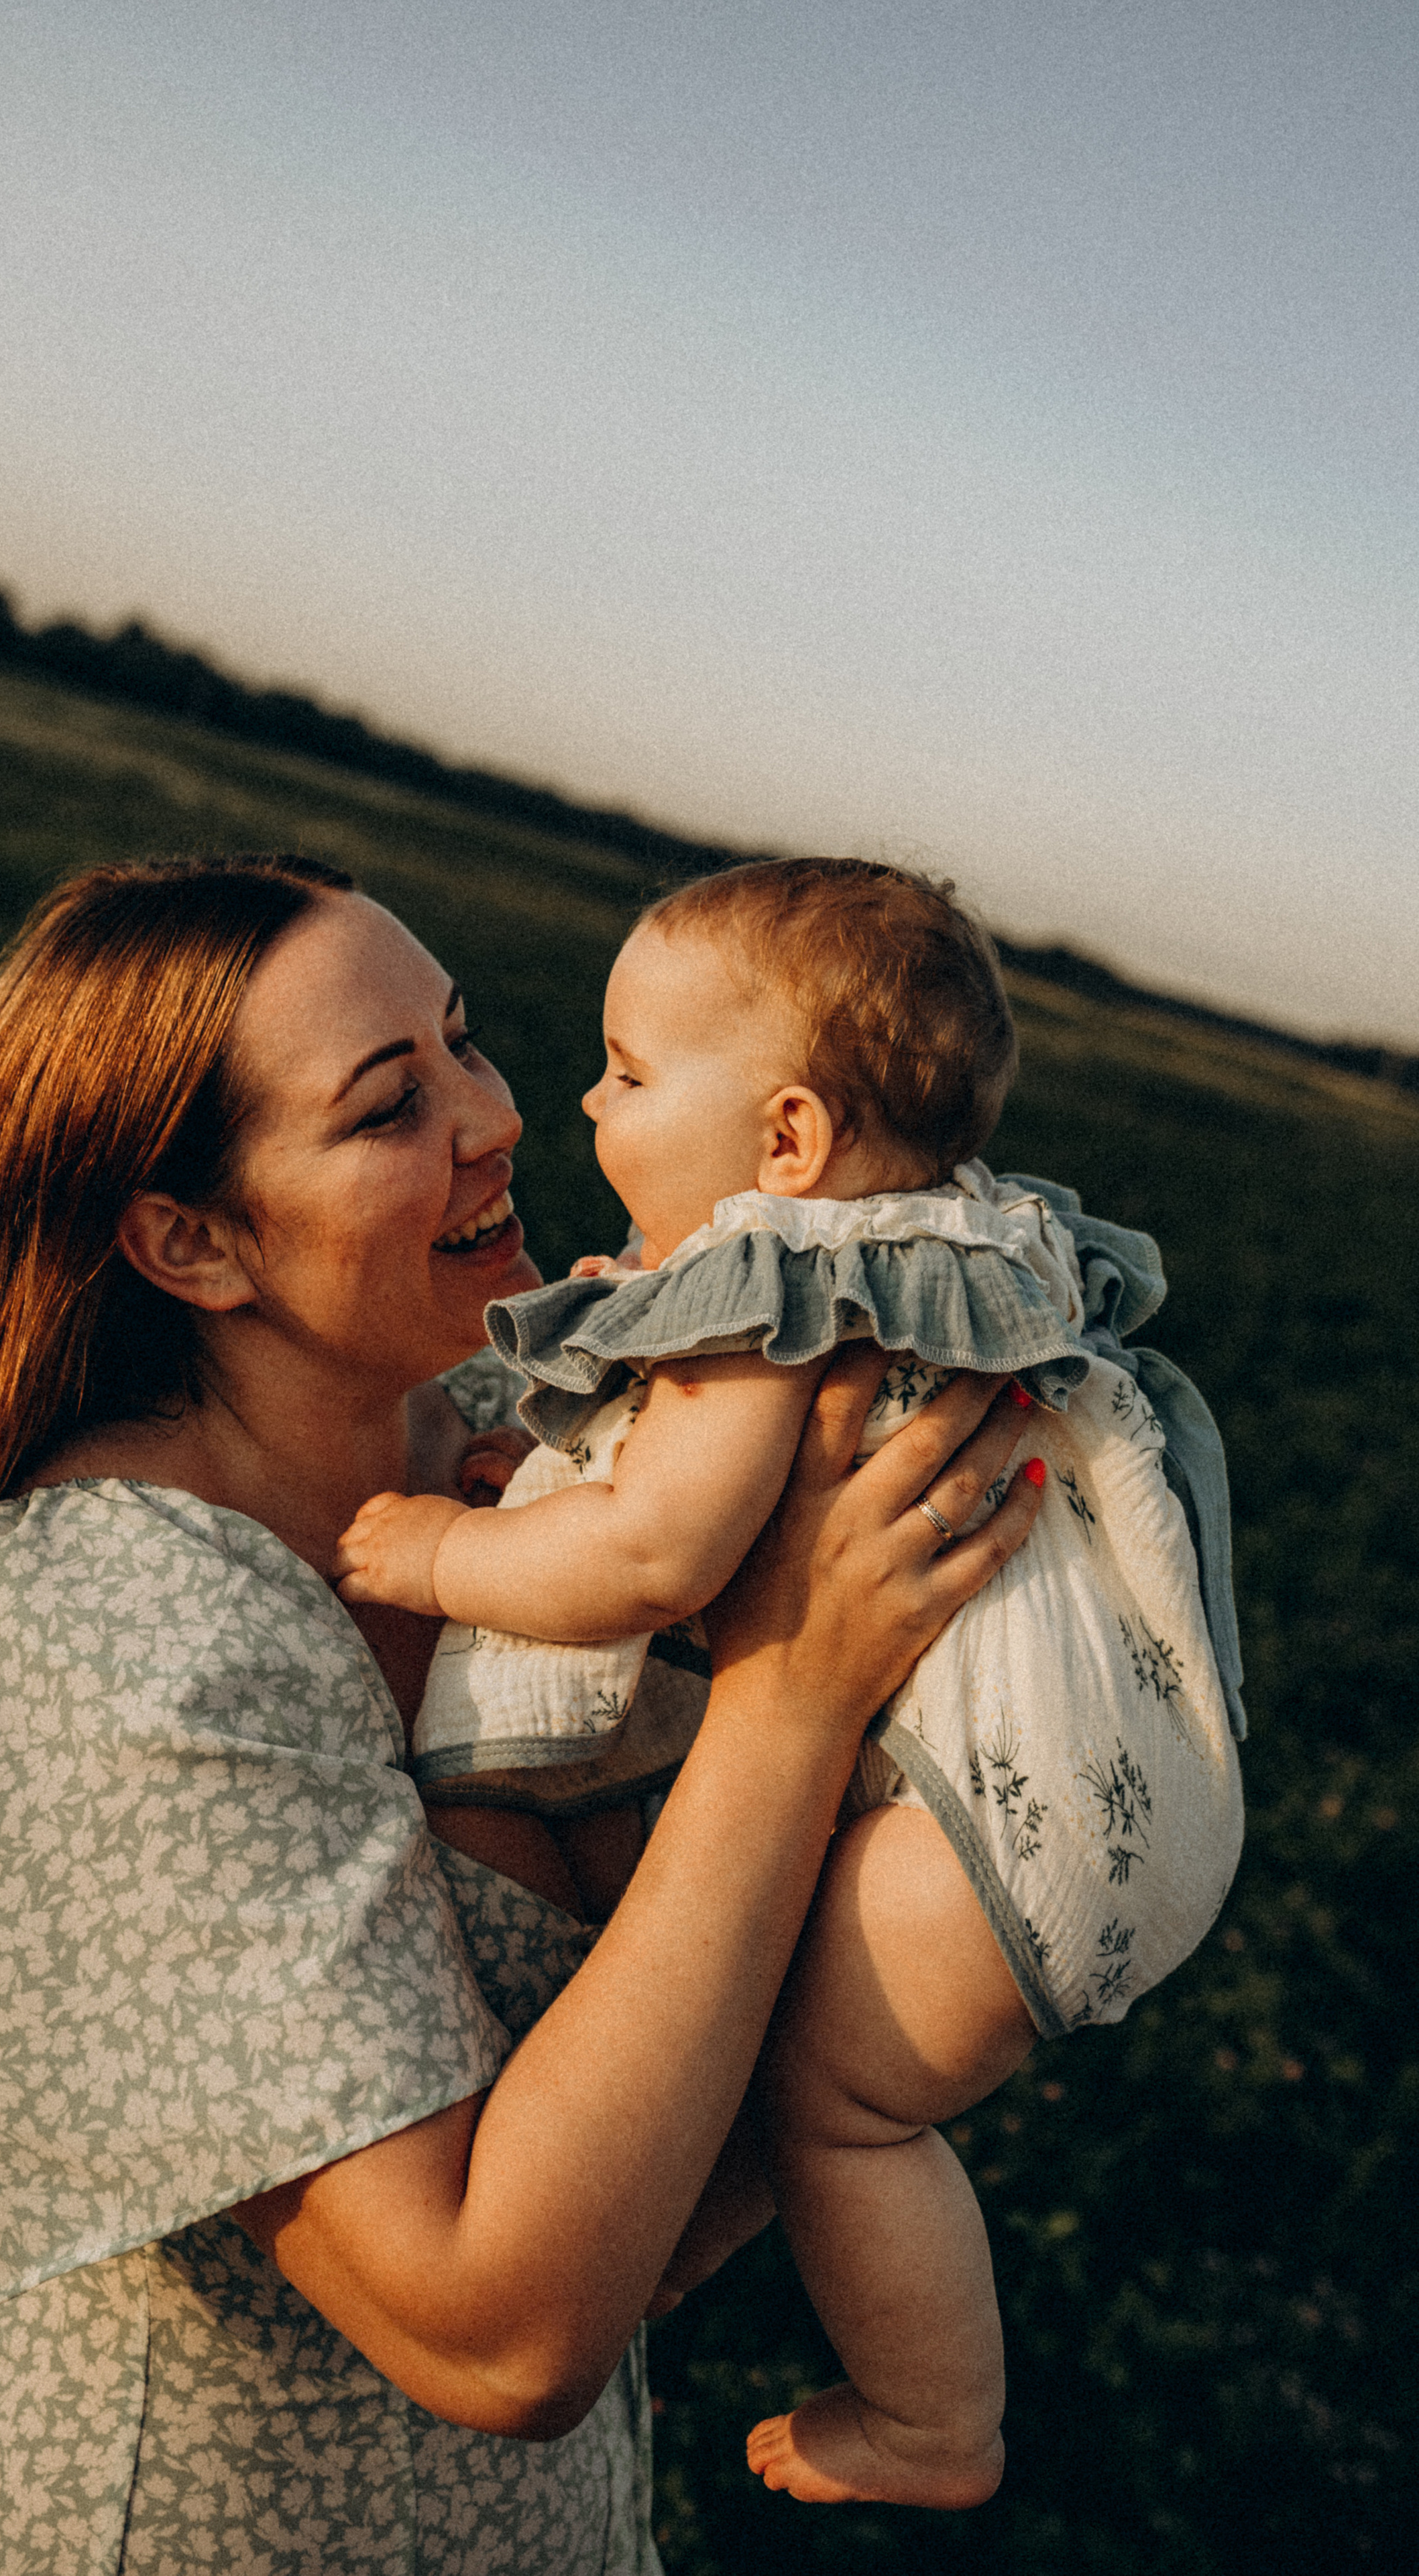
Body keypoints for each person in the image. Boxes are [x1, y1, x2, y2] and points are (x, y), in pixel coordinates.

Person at [0, 855, 1045, 2575]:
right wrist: (790, 1701)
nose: (492, 1116)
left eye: (464, 1043)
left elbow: (654, 2184)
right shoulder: (119, 1636)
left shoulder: (526, 1440)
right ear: (189, 1240)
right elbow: (496, 2329)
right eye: (388, 1104)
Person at [337, 856, 1245, 2510]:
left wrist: (432, 1556)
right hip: (1130, 1782)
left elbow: (651, 1562)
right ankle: (649, 2271)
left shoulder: (772, 1289)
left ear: (783, 1143)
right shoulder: (956, 1246)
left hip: (997, 1826)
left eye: (623, 1073)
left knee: (839, 2110)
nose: (580, 1100)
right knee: (763, 1997)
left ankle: (928, 2425)